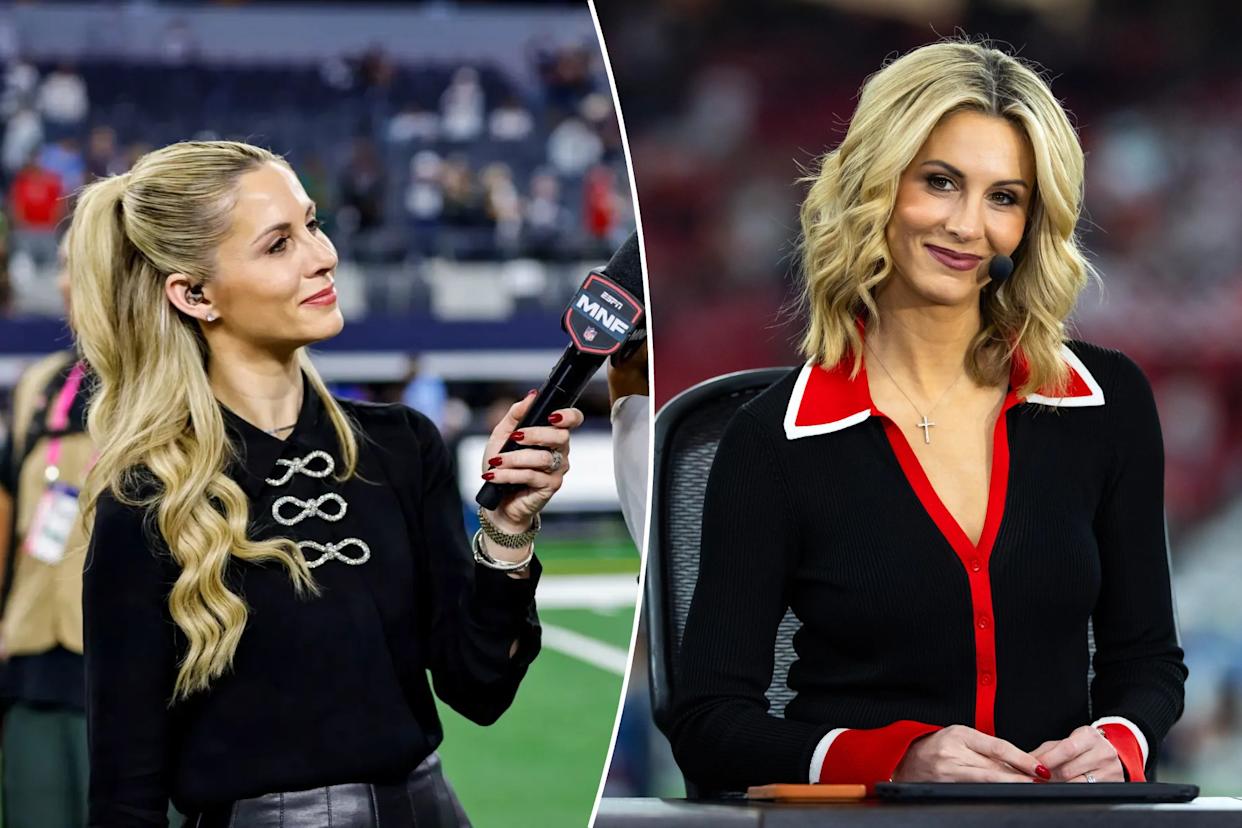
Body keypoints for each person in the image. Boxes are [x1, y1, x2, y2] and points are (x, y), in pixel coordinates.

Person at [669, 41, 1186, 792]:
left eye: (1004, 197)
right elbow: (708, 722)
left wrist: (1121, 739)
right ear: (879, 185)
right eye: (940, 182)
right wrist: (896, 762)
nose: (968, 226)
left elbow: (1148, 664)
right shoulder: (773, 438)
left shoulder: (1106, 403)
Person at [67, 140, 581, 826]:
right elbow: (125, 789)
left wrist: (508, 533)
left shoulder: (402, 445)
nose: (323, 254)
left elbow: (479, 688)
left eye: (312, 223)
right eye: (279, 244)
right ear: (194, 294)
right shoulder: (145, 499)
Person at [0, 237, 92, 826]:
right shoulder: (41, 385)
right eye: (61, 266)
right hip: (31, 658)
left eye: (82, 264)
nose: (67, 281)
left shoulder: (178, 378)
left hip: (134, 673)